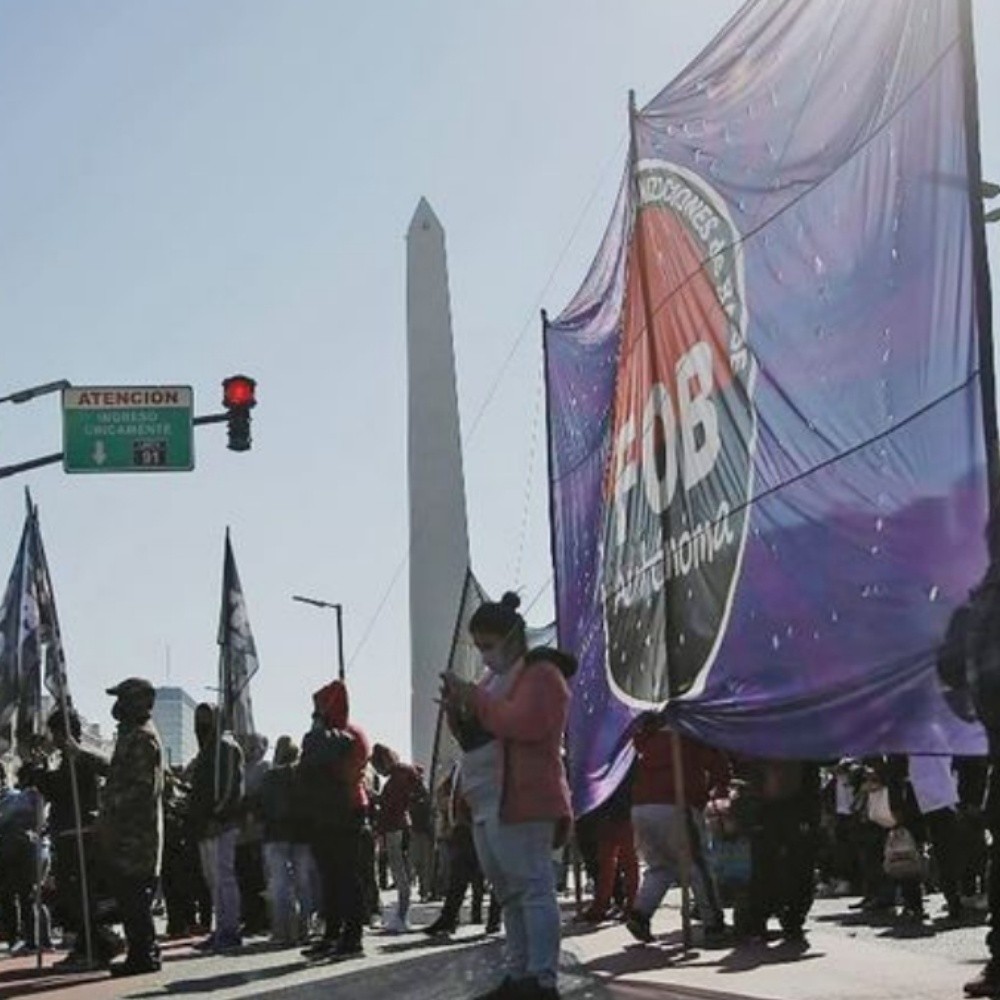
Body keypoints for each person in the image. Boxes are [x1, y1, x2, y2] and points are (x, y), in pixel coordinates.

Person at [441, 592, 574, 1000]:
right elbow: (481, 730)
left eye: (488, 645)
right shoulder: (492, 679)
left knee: (533, 887)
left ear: (511, 637)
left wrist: (474, 699)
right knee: (510, 893)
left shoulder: (540, 674)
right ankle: (519, 975)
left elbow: (525, 724)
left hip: (523, 798)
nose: (484, 655)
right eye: (478, 647)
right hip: (488, 801)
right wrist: (458, 708)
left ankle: (542, 979)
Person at [624, 718, 728, 945]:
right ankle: (713, 923)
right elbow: (717, 764)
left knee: (660, 867)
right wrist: (718, 784)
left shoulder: (646, 734)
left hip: (642, 807)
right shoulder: (691, 730)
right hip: (676, 804)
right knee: (697, 865)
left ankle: (640, 914)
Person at [38, 707, 120, 970]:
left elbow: (64, 790)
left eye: (54, 733)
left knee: (81, 897)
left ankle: (95, 947)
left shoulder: (80, 758)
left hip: (79, 835)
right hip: (68, 833)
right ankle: (92, 944)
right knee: (75, 898)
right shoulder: (66, 759)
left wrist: (41, 777)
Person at [96, 677, 164, 977]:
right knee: (131, 894)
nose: (117, 706)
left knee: (134, 895)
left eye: (123, 698)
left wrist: (110, 803)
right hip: (130, 832)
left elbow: (141, 787)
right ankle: (145, 951)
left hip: (136, 835)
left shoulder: (141, 738)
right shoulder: (132, 736)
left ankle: (143, 955)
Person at [300, 680, 370, 960]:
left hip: (345, 810)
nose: (315, 712)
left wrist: (319, 726)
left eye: (319, 706)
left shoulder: (347, 734)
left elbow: (316, 753)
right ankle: (333, 934)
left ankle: (352, 938)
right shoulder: (338, 734)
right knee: (331, 878)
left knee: (345, 876)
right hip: (330, 811)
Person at [742, 758, 821, 942]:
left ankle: (790, 918)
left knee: (797, 865)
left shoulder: (802, 740)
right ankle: (764, 919)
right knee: (766, 866)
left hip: (795, 806)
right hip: (770, 807)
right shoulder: (764, 740)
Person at [189, 703, 245, 952]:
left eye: (206, 719)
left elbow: (232, 787)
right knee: (213, 881)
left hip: (222, 824)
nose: (201, 725)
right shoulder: (206, 750)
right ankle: (220, 928)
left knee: (224, 879)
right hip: (204, 824)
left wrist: (218, 816)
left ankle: (230, 930)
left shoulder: (227, 748)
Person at [259, 736, 317, 945]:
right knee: (303, 883)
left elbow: (262, 806)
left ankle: (282, 930)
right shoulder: (305, 776)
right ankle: (304, 927)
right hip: (301, 835)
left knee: (280, 885)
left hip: (275, 835)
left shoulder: (270, 776)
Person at [372, 742, 423, 933]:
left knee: (400, 874)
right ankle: (402, 915)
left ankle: (401, 917)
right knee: (402, 873)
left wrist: (375, 798)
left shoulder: (397, 778)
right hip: (402, 825)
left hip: (395, 827)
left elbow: (390, 805)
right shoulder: (404, 774)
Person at [237, 733, 270, 937]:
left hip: (257, 830)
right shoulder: (240, 768)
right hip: (241, 831)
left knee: (258, 877)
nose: (251, 749)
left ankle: (261, 918)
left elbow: (265, 796)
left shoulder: (265, 768)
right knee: (245, 877)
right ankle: (249, 916)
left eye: (255, 745)